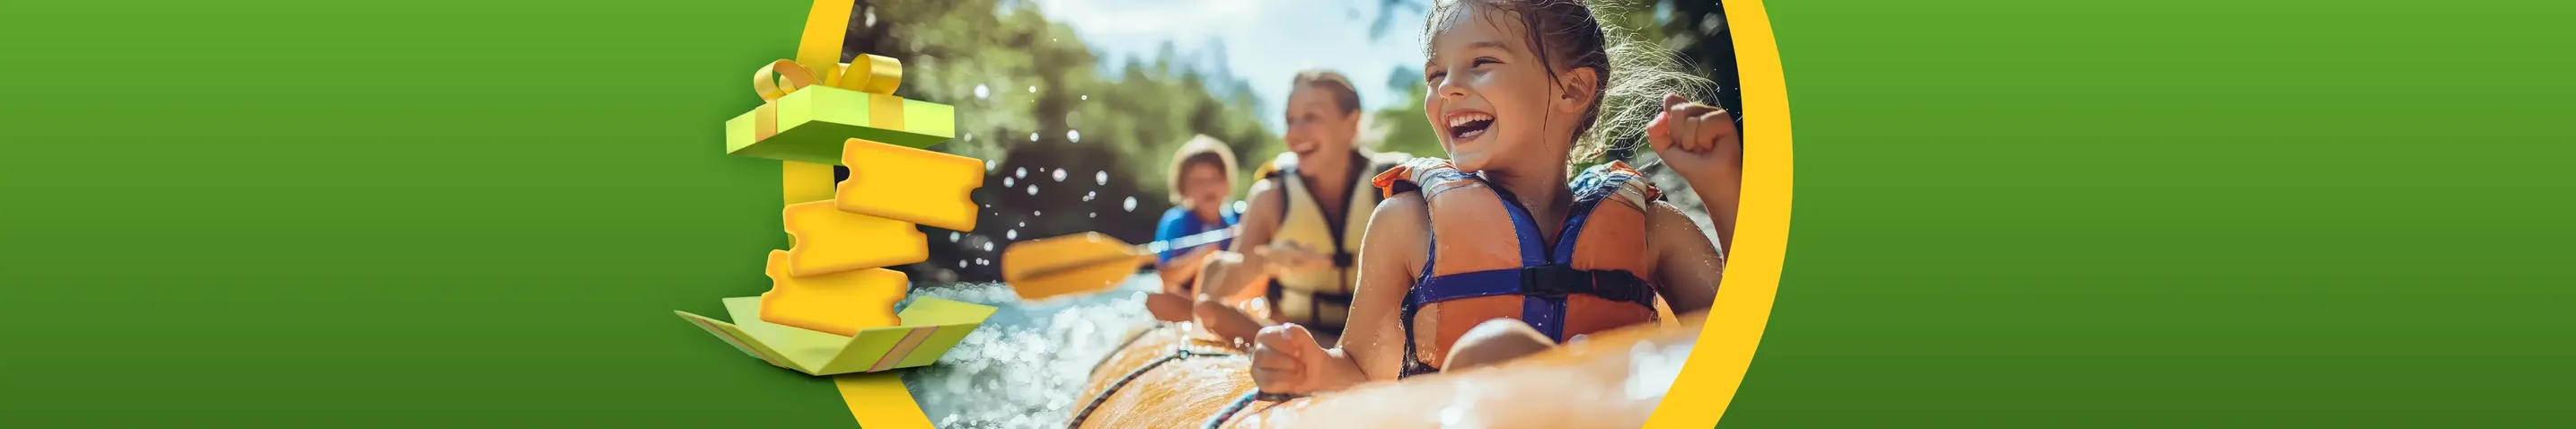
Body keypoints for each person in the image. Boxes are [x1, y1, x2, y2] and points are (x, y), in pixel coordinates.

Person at [1246, 0, 1742, 395]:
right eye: (1436, 75)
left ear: (1572, 90)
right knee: (1496, 348)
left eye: (1481, 63)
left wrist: (1721, 186)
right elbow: (1359, 369)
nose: (1448, 90)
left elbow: (1747, 342)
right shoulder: (1407, 224)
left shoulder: (1654, 229)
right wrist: (1310, 369)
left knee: (1499, 347)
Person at [1192, 70, 1413, 346]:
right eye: (1290, 121)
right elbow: (1211, 293)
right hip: (1300, 336)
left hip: (1381, 342)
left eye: (1311, 117)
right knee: (1211, 312)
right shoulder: (1271, 197)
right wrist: (1264, 261)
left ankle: (1337, 358)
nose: (1294, 134)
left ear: (1352, 122)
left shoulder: (1395, 185)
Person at [1143, 136, 1243, 322]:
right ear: (1184, 188)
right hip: (1190, 304)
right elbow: (1168, 280)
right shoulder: (1175, 222)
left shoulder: (1239, 219)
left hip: (1231, 302)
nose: (1208, 187)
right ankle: (1209, 317)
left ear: (1226, 183)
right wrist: (1203, 255)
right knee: (1157, 301)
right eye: (1198, 181)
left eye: (1215, 178)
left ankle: (1228, 318)